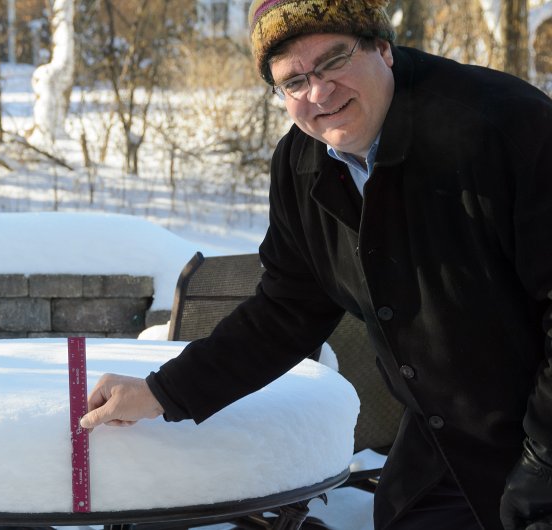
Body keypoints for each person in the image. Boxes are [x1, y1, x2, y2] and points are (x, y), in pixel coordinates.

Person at [79, 1, 552, 528]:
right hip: (446, 439)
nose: (319, 93)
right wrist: (162, 392)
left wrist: (544, 460)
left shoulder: (503, 127)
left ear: (382, 48)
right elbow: (286, 310)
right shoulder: (301, 166)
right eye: (294, 80)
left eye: (334, 61)